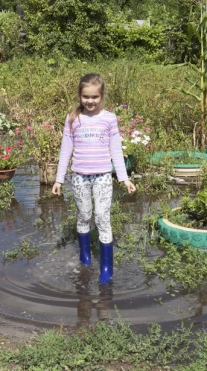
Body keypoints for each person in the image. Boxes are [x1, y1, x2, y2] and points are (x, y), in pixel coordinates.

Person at [52, 73, 136, 284]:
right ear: (80, 96)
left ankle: (106, 268)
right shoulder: (73, 118)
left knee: (102, 216)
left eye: (94, 97)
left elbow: (116, 150)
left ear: (102, 96)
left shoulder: (109, 118)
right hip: (79, 177)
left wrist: (124, 178)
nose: (90, 101)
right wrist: (59, 179)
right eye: (85, 97)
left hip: (103, 177)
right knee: (84, 215)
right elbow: (65, 151)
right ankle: (85, 257)